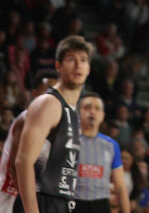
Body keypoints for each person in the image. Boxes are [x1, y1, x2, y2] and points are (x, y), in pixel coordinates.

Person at [15, 37, 93, 213]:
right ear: (58, 66)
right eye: (71, 59)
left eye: (83, 60)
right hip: (41, 201)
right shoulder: (48, 103)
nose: (78, 65)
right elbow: (23, 161)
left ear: (88, 68)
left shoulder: (74, 110)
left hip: (61, 202)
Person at [0, 70, 57, 213]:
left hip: (35, 195)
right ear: (35, 94)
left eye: (55, 93)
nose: (52, 98)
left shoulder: (55, 123)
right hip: (10, 193)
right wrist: (28, 204)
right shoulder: (27, 117)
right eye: (47, 91)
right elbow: (15, 165)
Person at [75, 93, 130, 213]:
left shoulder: (111, 145)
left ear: (102, 116)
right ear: (78, 112)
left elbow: (120, 187)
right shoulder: (69, 140)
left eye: (97, 108)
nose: (92, 112)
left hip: (101, 205)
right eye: (87, 107)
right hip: (74, 202)